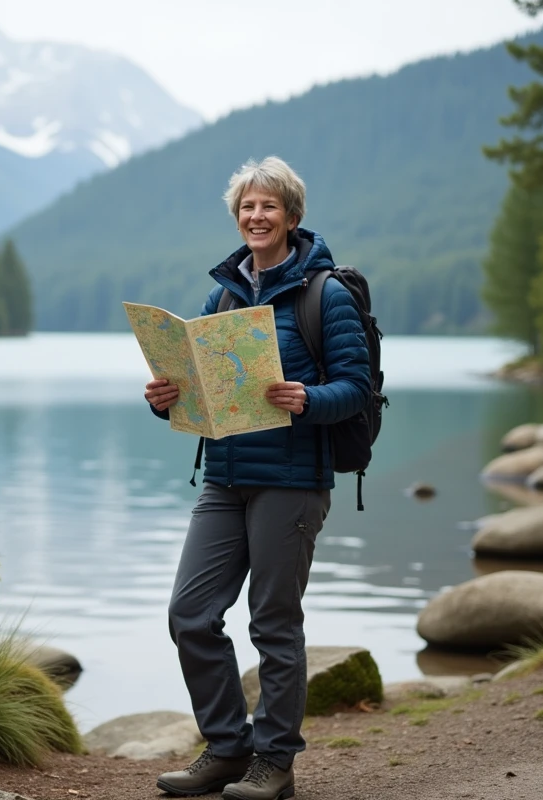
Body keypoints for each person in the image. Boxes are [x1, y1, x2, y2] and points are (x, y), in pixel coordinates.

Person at [143, 156, 372, 800]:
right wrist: (166, 397)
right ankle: (225, 748)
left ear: (292, 216)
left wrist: (308, 399)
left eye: (268, 206)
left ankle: (274, 762)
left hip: (294, 480)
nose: (256, 215)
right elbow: (204, 391)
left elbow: (357, 388)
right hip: (224, 476)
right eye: (247, 206)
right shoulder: (223, 296)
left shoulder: (324, 294)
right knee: (190, 613)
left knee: (273, 622)